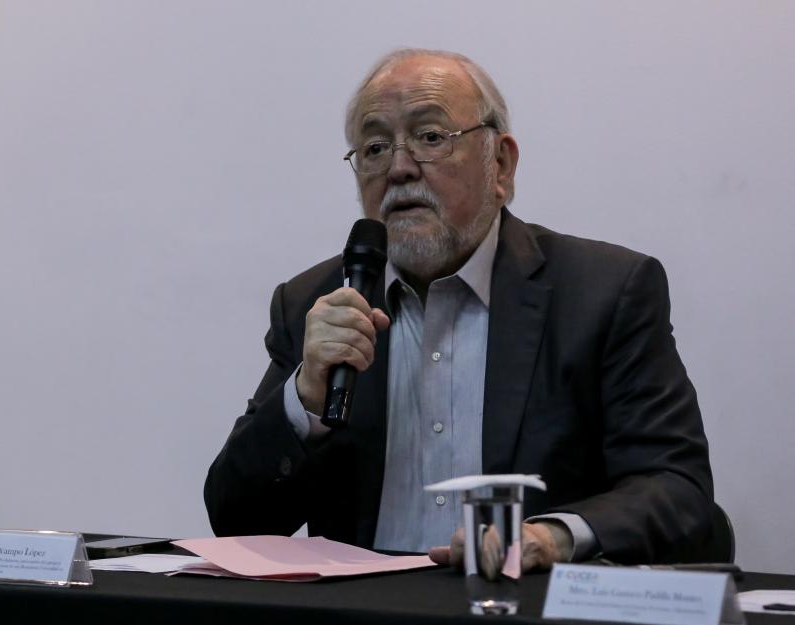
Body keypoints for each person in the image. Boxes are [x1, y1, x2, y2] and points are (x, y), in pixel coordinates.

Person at [204, 48, 715, 570]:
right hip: (359, 605)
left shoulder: (602, 292)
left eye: (430, 137)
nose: (399, 169)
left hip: (519, 600)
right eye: (375, 147)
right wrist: (305, 400)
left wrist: (552, 538)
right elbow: (235, 521)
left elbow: (677, 488)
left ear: (501, 165)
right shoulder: (315, 303)